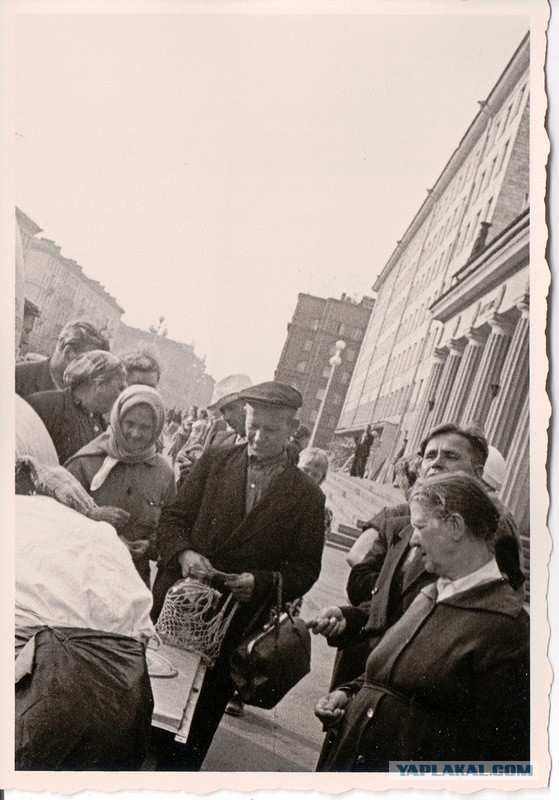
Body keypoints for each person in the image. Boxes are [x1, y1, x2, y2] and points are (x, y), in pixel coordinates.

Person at [151, 381, 326, 770]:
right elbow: (174, 519)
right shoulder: (214, 460)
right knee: (150, 712)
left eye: (271, 430)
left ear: (292, 430)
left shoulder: (307, 496)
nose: (259, 437)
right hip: (180, 611)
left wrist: (260, 583)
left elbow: (305, 568)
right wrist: (185, 554)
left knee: (192, 738)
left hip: (234, 627)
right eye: (252, 425)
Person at [314, 472, 530, 770]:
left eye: (421, 526)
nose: (413, 539)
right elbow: (397, 669)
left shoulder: (509, 629)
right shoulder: (431, 592)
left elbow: (500, 757)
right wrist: (350, 694)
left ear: (455, 526)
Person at [310, 422, 525, 689]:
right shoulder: (402, 521)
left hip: (419, 685)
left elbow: (494, 617)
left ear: (478, 472)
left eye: (451, 456)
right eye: (430, 455)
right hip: (361, 674)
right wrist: (350, 617)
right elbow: (376, 595)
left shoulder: (491, 532)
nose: (436, 463)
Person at [15, 405, 155, 770]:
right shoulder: (96, 530)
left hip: (34, 705)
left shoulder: (14, 519)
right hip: (123, 707)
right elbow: (141, 627)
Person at [65, 385, 176, 585]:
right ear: (117, 420)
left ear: (157, 428)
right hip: (81, 574)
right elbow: (56, 515)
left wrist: (150, 546)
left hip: (131, 581)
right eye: (129, 423)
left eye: (145, 427)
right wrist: (93, 515)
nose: (135, 434)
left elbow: (171, 525)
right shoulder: (86, 461)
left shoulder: (164, 474)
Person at [26, 351, 127, 465]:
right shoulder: (43, 405)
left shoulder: (101, 424)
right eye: (120, 388)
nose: (121, 395)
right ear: (100, 384)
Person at [16, 319, 110, 399]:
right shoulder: (18, 376)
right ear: (68, 351)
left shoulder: (80, 397)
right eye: (88, 362)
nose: (90, 371)